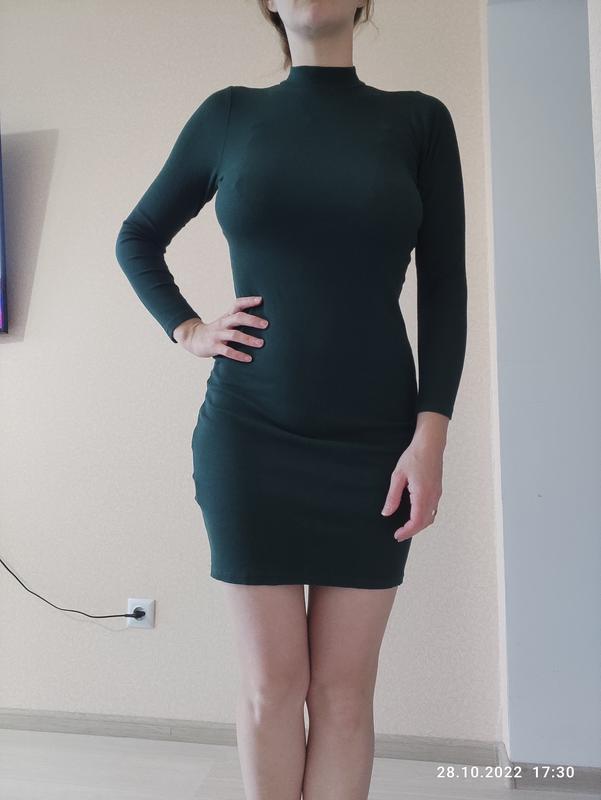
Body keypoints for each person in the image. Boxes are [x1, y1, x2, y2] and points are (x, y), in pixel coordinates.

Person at [115, 1, 467, 797]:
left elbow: (444, 288)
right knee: (271, 686)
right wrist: (188, 329)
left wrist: (431, 435)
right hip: (249, 437)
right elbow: (137, 236)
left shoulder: (418, 121)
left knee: (342, 694)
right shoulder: (229, 115)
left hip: (376, 445)